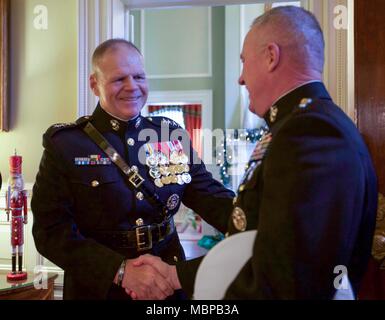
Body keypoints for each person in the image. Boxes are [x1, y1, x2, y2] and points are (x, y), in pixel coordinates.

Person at [134, 6, 378, 299]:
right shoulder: (300, 124)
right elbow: (257, 239)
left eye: (244, 62)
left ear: (271, 57)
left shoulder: (310, 132)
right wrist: (176, 276)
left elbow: (287, 278)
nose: (240, 78)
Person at [31, 39, 235, 300]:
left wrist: (259, 225)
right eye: (119, 79)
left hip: (167, 280)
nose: (132, 87)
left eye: (139, 76)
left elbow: (210, 197)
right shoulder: (67, 144)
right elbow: (50, 231)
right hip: (100, 288)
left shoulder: (169, 134)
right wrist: (119, 271)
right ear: (95, 84)